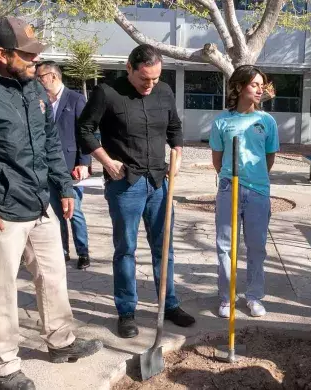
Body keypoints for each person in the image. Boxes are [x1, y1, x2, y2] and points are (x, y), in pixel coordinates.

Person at [0, 16, 103, 390]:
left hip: (40, 202)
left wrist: (65, 188)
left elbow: (51, 144)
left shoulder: (33, 88)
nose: (36, 63)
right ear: (2, 54)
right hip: (1, 209)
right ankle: (3, 365)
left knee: (53, 276)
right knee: (0, 290)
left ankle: (60, 341)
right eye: (27, 55)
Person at [78, 44, 195, 339]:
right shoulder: (107, 92)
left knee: (164, 247)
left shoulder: (164, 91)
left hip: (158, 182)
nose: (150, 85)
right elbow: (84, 129)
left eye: (155, 79)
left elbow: (175, 128)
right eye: (145, 79)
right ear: (129, 67)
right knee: (126, 249)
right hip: (125, 184)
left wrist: (177, 153)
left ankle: (169, 305)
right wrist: (106, 161)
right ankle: (126, 311)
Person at [209, 65, 280, 318]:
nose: (260, 89)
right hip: (229, 188)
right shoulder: (222, 121)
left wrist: (256, 177)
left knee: (257, 247)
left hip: (258, 191)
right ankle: (226, 297)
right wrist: (229, 176)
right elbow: (217, 161)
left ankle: (254, 296)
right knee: (226, 246)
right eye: (254, 85)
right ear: (239, 87)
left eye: (262, 85)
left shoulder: (267, 121)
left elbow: (269, 158)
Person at [35, 60, 92, 269]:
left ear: (53, 76)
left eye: (40, 77)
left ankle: (83, 252)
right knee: (56, 213)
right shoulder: (40, 101)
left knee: (74, 212)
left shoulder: (76, 99)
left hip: (71, 168)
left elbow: (86, 133)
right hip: (47, 167)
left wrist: (84, 163)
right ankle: (63, 251)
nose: (38, 81)